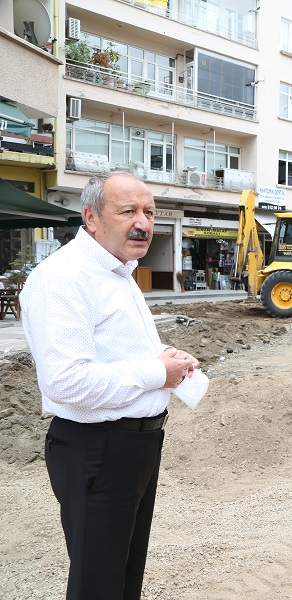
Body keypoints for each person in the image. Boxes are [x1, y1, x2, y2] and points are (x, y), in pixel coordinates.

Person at [20, 172, 199, 600]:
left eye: (149, 212)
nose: (143, 223)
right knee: (98, 583)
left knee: (124, 575)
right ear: (91, 217)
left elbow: (117, 352)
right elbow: (65, 382)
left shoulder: (118, 271)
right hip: (95, 448)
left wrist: (168, 359)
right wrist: (157, 373)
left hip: (136, 445)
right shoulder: (63, 278)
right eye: (128, 211)